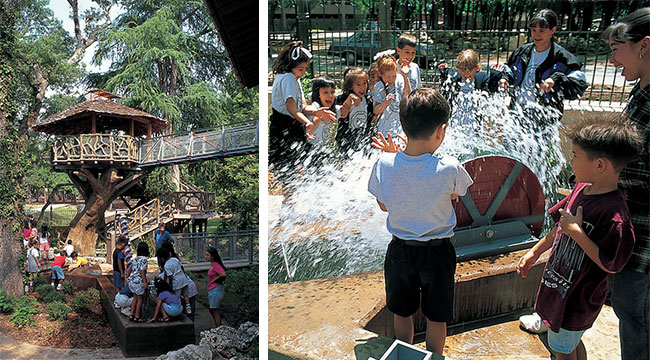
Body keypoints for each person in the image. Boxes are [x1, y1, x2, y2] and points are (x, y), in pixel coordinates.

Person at [516, 116, 643, 360]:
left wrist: (578, 233)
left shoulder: (615, 216)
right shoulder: (581, 188)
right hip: (561, 290)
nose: (570, 161)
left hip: (577, 299)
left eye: (575, 155)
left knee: (561, 350)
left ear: (600, 165)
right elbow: (561, 225)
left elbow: (611, 264)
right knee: (570, 344)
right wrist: (536, 251)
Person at [367, 88, 473, 355]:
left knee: (402, 311)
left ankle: (404, 353)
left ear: (403, 125)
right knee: (437, 315)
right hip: (437, 253)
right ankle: (435, 356)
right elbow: (456, 193)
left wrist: (395, 159)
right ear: (441, 131)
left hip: (400, 251)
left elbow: (383, 205)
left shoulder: (384, 164)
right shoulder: (449, 166)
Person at [602, 8, 650, 360]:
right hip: (633, 241)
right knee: (630, 318)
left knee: (638, 323)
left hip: (646, 249)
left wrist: (603, 171)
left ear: (645, 46)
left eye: (618, 49)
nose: (613, 59)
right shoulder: (641, 95)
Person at [491, 9, 587, 118]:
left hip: (546, 117)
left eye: (541, 30)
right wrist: (504, 78)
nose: (536, 35)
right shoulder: (521, 53)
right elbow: (509, 69)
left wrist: (556, 79)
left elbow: (578, 85)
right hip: (517, 113)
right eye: (533, 30)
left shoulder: (563, 58)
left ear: (553, 30)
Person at [269, 40, 335, 169]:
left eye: (305, 68)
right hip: (284, 128)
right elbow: (292, 107)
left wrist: (316, 112)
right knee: (290, 169)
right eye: (301, 69)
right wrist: (308, 123)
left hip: (292, 127)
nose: (304, 72)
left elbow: (302, 107)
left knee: (298, 167)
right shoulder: (288, 78)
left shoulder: (293, 78)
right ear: (290, 65)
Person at [335, 67, 375, 154]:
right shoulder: (343, 98)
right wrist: (350, 98)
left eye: (364, 83)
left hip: (362, 137)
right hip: (346, 140)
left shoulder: (367, 100)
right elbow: (342, 113)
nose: (362, 87)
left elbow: (371, 117)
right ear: (350, 86)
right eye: (358, 84)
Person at [372, 54, 412, 136]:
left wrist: (405, 77)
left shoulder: (400, 78)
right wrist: (385, 103)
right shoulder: (379, 86)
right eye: (387, 77)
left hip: (400, 129)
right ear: (380, 73)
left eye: (393, 75)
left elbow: (408, 95)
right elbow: (375, 110)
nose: (391, 79)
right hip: (384, 131)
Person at [304, 77, 340, 149]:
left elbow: (343, 111)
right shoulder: (315, 107)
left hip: (322, 149)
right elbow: (312, 124)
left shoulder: (332, 109)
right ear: (318, 94)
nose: (330, 95)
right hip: (310, 148)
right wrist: (320, 116)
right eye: (325, 92)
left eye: (332, 92)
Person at [157, 248, 192, 315]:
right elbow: (182, 267)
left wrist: (170, 286)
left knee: (177, 298)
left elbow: (170, 277)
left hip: (177, 282)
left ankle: (179, 310)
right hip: (184, 279)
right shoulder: (175, 259)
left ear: (162, 258)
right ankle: (188, 307)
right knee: (186, 295)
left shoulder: (166, 266)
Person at [127, 242, 149, 322]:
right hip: (138, 281)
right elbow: (142, 271)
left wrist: (127, 278)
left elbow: (129, 270)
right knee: (140, 299)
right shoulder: (144, 259)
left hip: (132, 281)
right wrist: (145, 282)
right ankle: (137, 316)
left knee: (135, 298)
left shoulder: (134, 259)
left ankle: (131, 314)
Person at [205, 247, 227, 327]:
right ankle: (218, 326)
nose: (205, 257)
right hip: (213, 289)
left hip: (215, 290)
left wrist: (215, 279)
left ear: (212, 257)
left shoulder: (215, 265)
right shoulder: (213, 264)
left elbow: (223, 274)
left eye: (207, 255)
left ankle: (218, 327)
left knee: (215, 310)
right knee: (213, 310)